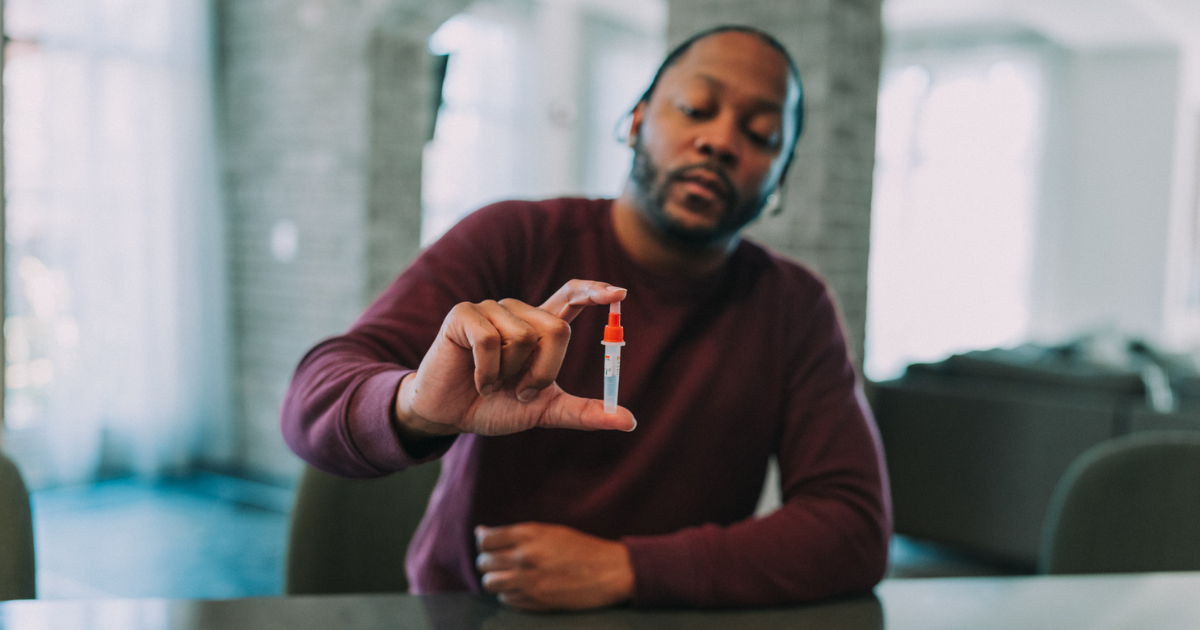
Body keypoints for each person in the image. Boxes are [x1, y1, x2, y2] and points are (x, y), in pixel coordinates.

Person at [281, 25, 891, 611]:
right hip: (479, 613)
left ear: (780, 176)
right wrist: (414, 404)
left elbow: (855, 527)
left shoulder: (793, 305)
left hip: (671, 618)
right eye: (696, 109)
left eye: (761, 135)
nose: (721, 141)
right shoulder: (514, 238)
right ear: (635, 121)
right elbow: (311, 402)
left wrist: (626, 568)